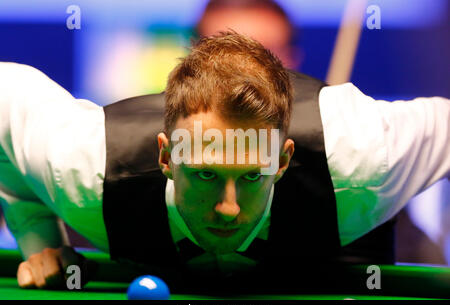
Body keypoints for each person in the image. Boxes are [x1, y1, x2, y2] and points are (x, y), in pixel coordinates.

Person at [0, 32, 448, 291]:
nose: (228, 207)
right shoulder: (88, 169)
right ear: (166, 156)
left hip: (340, 248)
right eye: (207, 174)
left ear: (284, 160)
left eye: (252, 175)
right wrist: (38, 237)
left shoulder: (360, 157)